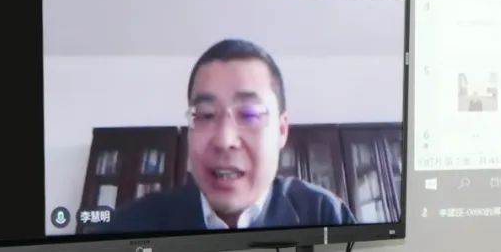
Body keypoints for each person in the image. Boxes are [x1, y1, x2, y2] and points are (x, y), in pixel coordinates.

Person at [105, 39, 356, 232]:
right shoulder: (130, 225)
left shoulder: (324, 214)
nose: (225, 140)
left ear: (281, 130)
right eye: (206, 115)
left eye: (249, 115)